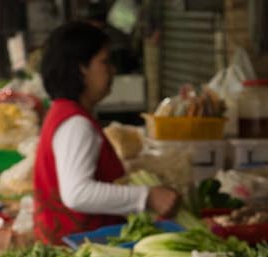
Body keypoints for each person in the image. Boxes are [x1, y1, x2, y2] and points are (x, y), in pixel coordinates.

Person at [32, 22, 178, 244]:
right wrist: (147, 196)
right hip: (80, 248)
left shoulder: (65, 112)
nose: (112, 70)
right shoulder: (75, 124)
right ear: (82, 68)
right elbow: (77, 193)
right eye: (104, 62)